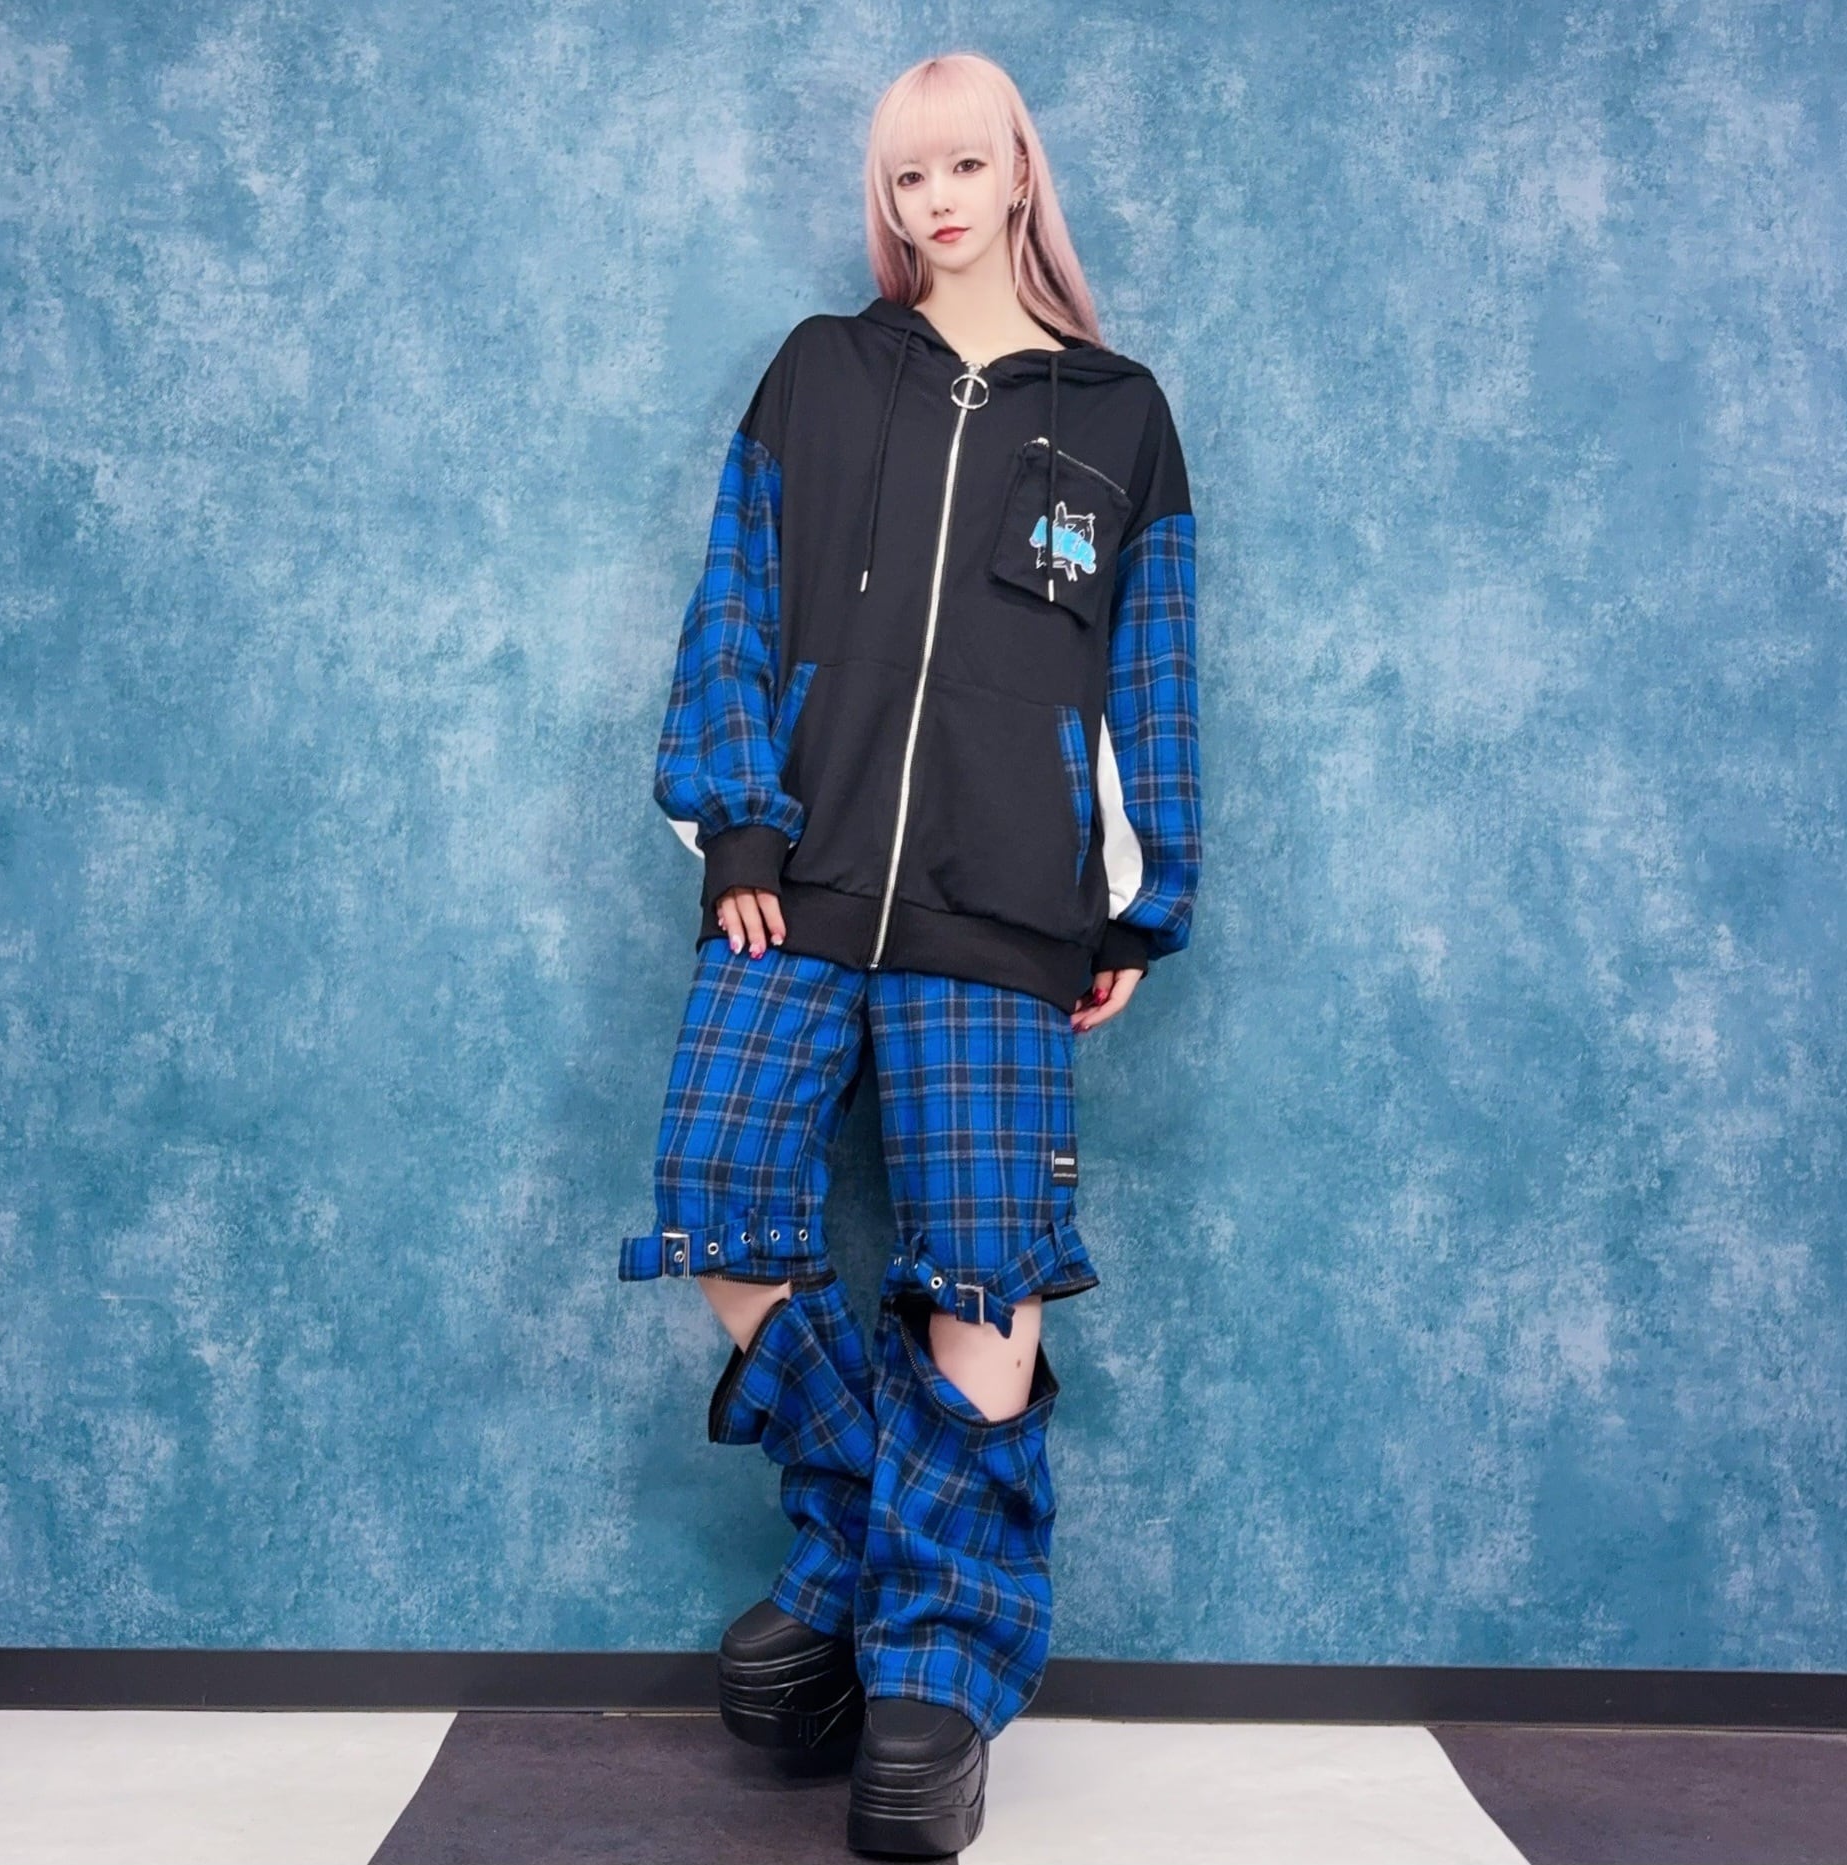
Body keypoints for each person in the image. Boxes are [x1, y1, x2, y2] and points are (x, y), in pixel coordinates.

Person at [617, 49, 1200, 1859]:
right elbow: (732, 600)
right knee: (716, 1185)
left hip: (1005, 904)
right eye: (903, 177)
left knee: (980, 1261)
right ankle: (900, 1560)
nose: (932, 201)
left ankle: (929, 1683)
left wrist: (1140, 895)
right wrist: (737, 826)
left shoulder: (1119, 416)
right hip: (795, 879)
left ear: (1017, 171)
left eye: (959, 166)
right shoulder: (818, 370)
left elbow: (1152, 671)